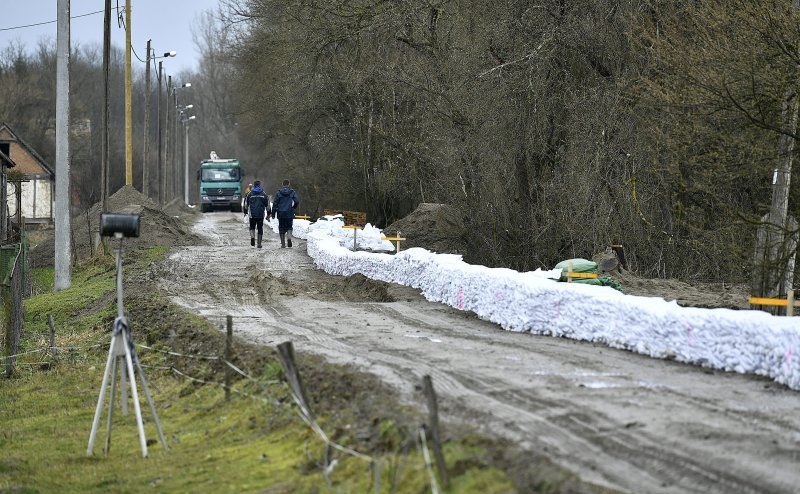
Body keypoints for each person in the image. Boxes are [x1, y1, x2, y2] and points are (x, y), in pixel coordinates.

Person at [271, 179, 300, 248]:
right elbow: (296, 201)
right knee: (289, 227)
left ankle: (283, 244)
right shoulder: (292, 192)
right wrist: (293, 207)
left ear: (282, 184)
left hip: (280, 213)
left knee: (281, 227)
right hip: (289, 212)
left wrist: (273, 213)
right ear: (289, 184)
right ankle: (289, 238)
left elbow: (275, 203)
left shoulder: (278, 193)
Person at [243, 180, 269, 248]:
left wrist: (245, 212)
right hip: (260, 214)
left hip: (252, 215)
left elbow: (245, 204)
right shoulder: (263, 194)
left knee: (252, 227)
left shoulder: (250, 193)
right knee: (260, 228)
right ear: (259, 185)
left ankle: (252, 237)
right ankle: (259, 244)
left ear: (254, 185)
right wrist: (269, 213)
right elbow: (268, 205)